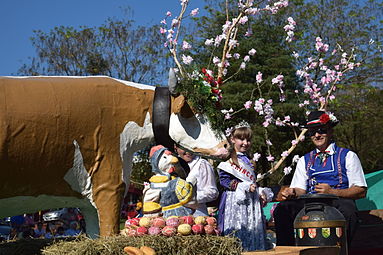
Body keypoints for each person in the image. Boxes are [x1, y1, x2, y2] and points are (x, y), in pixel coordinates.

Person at [273, 110, 367, 247]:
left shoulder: (348, 156)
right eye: (312, 132)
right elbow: (300, 189)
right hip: (310, 203)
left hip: (337, 202)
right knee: (282, 209)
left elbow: (361, 191)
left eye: (321, 130)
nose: (317, 135)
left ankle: (340, 250)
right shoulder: (304, 160)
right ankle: (288, 250)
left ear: (330, 131)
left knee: (349, 211)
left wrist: (333, 192)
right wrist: (292, 192)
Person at [217, 121, 273, 251]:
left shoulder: (248, 160)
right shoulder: (228, 160)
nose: (245, 143)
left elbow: (252, 181)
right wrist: (242, 186)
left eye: (248, 140)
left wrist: (260, 192)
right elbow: (224, 181)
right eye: (241, 139)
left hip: (251, 202)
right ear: (232, 139)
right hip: (236, 203)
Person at [175, 145, 219, 217]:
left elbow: (212, 192)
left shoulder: (202, 164)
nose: (188, 151)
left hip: (197, 216)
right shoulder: (172, 163)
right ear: (175, 147)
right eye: (184, 147)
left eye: (190, 147)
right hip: (175, 217)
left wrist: (190, 198)